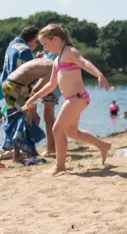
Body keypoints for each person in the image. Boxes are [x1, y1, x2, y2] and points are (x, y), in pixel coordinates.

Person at [22, 24, 112, 175]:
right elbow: (51, 85)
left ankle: (60, 166)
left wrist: (99, 74)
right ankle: (103, 145)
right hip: (72, 99)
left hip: (77, 98)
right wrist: (34, 97)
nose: (44, 48)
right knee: (72, 132)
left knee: (57, 129)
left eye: (45, 43)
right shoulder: (57, 60)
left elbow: (84, 63)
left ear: (56, 39)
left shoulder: (70, 51)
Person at [2, 58, 54, 162]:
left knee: (18, 120)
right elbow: (35, 91)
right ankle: (29, 153)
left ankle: (19, 155)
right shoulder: (53, 69)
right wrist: (30, 113)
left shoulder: (49, 62)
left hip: (10, 84)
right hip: (14, 87)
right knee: (29, 119)